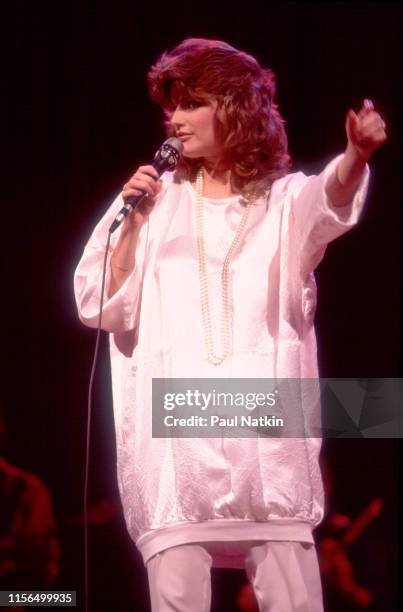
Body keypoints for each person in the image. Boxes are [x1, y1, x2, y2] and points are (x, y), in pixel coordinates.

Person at [74, 38, 387, 611]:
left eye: (192, 102)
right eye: (171, 105)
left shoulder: (284, 202)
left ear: (235, 108)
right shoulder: (154, 200)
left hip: (267, 454)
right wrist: (137, 225)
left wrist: (355, 158)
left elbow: (328, 202)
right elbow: (98, 303)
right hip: (176, 457)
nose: (174, 118)